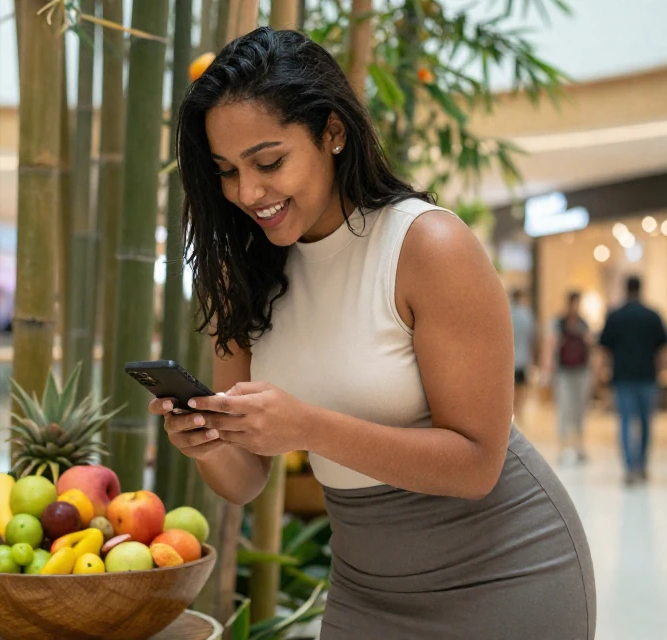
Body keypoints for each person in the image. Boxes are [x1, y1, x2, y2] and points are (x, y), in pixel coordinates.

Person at [151, 28, 595, 639]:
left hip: (504, 575)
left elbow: (476, 465)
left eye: (269, 162)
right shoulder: (242, 276)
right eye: (227, 171)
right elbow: (245, 478)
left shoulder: (427, 246)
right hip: (365, 588)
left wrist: (307, 428)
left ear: (332, 132)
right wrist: (207, 441)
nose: (248, 192)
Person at [599, 276, 667, 483]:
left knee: (625, 422)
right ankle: (642, 465)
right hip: (647, 376)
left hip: (622, 377)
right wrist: (662, 372)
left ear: (625, 289)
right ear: (641, 289)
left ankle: (630, 467)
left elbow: (604, 347)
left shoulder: (615, 316)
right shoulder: (652, 315)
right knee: (646, 422)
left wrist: (603, 373)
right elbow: (663, 348)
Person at [545, 291, 592, 463]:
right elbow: (552, 345)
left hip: (581, 371)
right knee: (564, 408)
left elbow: (590, 345)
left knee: (579, 409)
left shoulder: (583, 323)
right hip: (564, 372)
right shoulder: (559, 323)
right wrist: (548, 368)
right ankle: (563, 446)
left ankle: (579, 445)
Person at [509, 289, 536, 424]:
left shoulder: (507, 314)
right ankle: (520, 414)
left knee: (511, 389)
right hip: (523, 358)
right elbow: (532, 338)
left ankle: (512, 413)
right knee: (522, 389)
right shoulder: (527, 315)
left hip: (510, 359)